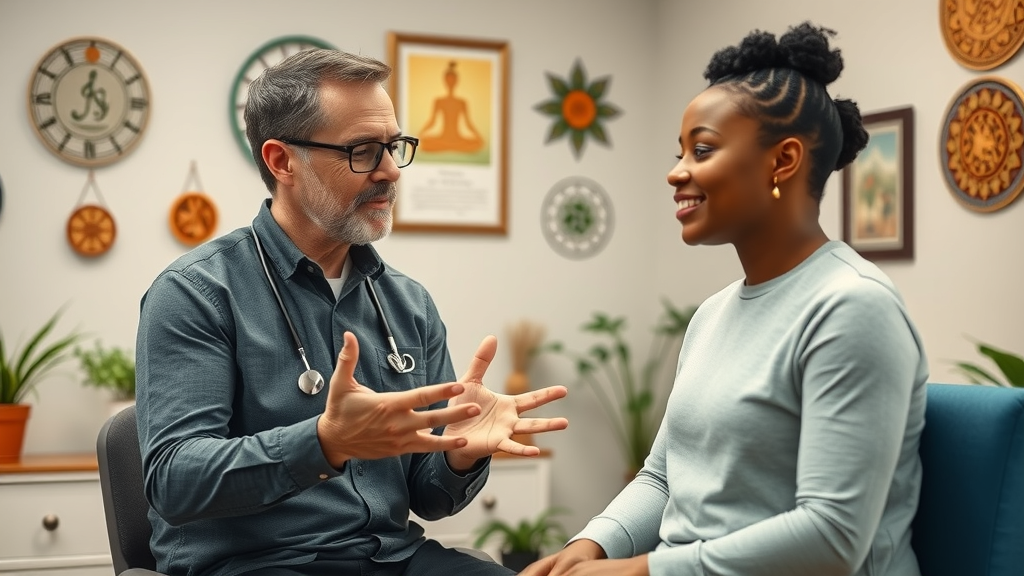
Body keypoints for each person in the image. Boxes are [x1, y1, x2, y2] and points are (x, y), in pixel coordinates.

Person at [135, 48, 568, 576]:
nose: (390, 171)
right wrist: (322, 443)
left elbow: (428, 498)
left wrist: (460, 452)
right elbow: (174, 481)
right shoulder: (196, 293)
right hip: (258, 565)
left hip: (392, 558)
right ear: (282, 161)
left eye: (394, 147)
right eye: (363, 150)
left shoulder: (408, 304)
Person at [522, 22, 928, 576]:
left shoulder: (854, 308)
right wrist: (591, 547)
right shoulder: (711, 315)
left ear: (782, 162)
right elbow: (663, 476)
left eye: (702, 149)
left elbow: (833, 538)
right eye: (680, 151)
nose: (675, 172)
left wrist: (640, 572)